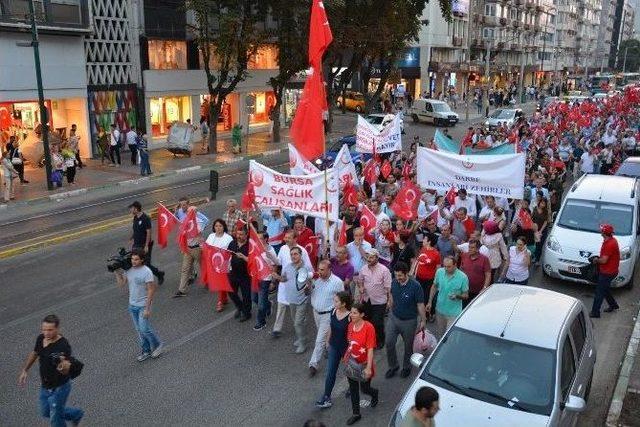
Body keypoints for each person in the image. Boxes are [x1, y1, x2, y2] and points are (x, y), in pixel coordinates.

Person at [17, 314, 84, 427]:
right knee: (45, 411)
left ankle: (66, 416)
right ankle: (75, 414)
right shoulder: (41, 338)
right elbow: (35, 353)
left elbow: (66, 369)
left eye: (50, 330)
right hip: (45, 386)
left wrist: (62, 366)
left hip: (60, 387)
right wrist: (25, 370)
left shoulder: (63, 345)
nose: (46, 333)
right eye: (44, 329)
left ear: (57, 329)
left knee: (55, 420)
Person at [115, 249, 164, 360]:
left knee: (144, 329)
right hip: (132, 305)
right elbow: (121, 284)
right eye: (132, 259)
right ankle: (146, 351)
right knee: (139, 330)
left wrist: (147, 309)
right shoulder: (128, 270)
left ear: (142, 260)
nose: (133, 261)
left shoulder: (147, 272)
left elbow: (151, 290)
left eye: (136, 259)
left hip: (143, 305)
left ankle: (158, 345)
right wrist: (117, 272)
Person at [385, 262, 426, 379]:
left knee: (408, 346)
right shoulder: (394, 282)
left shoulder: (416, 286)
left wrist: (423, 321)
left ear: (406, 273)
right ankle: (393, 366)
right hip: (394, 318)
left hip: (409, 321)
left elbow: (420, 304)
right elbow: (391, 294)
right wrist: (390, 303)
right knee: (389, 343)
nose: (398, 278)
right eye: (396, 275)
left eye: (400, 276)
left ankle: (406, 367)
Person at [271, 230, 313, 338]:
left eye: (289, 238)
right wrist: (270, 256)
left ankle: (299, 327)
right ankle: (277, 329)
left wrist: (307, 283)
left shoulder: (302, 251)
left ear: (295, 239)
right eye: (285, 237)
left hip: (297, 285)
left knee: (296, 308)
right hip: (284, 281)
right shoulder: (283, 248)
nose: (286, 239)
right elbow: (279, 262)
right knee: (281, 305)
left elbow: (309, 269)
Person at [344, 302, 379, 425]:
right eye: (351, 312)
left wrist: (369, 368)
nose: (351, 315)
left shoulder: (369, 328)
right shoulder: (350, 326)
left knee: (364, 388)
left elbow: (370, 349)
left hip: (364, 364)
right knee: (353, 389)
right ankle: (356, 414)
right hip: (352, 363)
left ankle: (374, 394)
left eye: (355, 313)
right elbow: (350, 343)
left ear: (362, 314)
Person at [316, 291, 352, 409]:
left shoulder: (350, 317)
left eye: (336, 301)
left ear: (344, 304)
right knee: (330, 372)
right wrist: (327, 342)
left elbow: (353, 334)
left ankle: (352, 388)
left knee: (349, 371)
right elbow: (331, 327)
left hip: (346, 349)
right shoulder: (333, 311)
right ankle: (326, 397)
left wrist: (350, 350)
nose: (334, 303)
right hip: (334, 347)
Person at [309, 260, 345, 376]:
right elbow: (306, 293)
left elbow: (342, 298)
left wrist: (339, 314)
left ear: (330, 269)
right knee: (323, 336)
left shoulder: (337, 282)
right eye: (319, 269)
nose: (319, 272)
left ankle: (313, 364)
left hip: (327, 315)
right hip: (316, 313)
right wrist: (308, 285)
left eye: (322, 270)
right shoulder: (315, 279)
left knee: (319, 339)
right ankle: (328, 346)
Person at [273, 246, 311, 353]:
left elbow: (310, 283)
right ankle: (301, 337)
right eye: (292, 254)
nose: (293, 256)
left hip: (302, 300)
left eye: (296, 254)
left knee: (297, 323)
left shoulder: (305, 267)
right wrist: (277, 277)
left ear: (300, 255)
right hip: (291, 299)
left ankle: (303, 344)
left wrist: (308, 287)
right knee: (296, 321)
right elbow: (284, 279)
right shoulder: (288, 267)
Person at [357, 248, 392, 349]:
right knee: (367, 321)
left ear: (377, 258)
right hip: (367, 300)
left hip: (380, 302)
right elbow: (360, 281)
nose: (369, 259)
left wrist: (389, 301)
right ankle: (370, 340)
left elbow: (388, 287)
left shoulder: (384, 270)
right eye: (368, 257)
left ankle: (380, 339)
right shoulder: (363, 269)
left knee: (377, 322)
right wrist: (361, 287)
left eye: (371, 257)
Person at [427, 256, 469, 339]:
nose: (446, 269)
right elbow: (434, 286)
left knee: (450, 337)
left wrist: (457, 296)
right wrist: (430, 302)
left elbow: (466, 295)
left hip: (453, 313)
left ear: (455, 265)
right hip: (440, 310)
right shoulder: (439, 272)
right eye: (444, 266)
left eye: (449, 267)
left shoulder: (463, 277)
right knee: (441, 335)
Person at [173, 206, 209, 298]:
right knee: (185, 269)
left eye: (190, 212)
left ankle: (208, 281)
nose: (188, 213)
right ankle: (182, 290)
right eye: (188, 212)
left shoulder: (198, 222)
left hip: (197, 248)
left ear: (195, 212)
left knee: (203, 266)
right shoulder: (185, 221)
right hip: (188, 249)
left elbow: (198, 232)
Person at [128, 201, 165, 284]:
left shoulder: (146, 218)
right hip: (136, 244)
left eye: (131, 208)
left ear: (136, 209)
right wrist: (132, 237)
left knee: (146, 264)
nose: (130, 210)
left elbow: (149, 232)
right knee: (136, 263)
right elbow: (136, 229)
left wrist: (146, 246)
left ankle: (159, 274)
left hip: (144, 244)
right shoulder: (135, 217)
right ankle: (142, 280)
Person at [589, 223, 620, 318]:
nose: (600, 231)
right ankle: (613, 305)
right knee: (605, 289)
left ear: (604, 233)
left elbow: (604, 260)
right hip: (611, 270)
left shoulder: (609, 244)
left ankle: (595, 312)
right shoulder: (611, 241)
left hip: (607, 272)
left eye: (602, 230)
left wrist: (595, 260)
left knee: (599, 292)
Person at [205, 219, 234, 311]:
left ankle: (220, 301)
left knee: (221, 282)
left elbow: (231, 252)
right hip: (213, 263)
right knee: (219, 282)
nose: (218, 228)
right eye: (216, 226)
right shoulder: (211, 236)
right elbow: (206, 248)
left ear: (224, 227)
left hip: (224, 264)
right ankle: (224, 298)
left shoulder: (228, 238)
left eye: (220, 226)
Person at [252, 230, 279, 331]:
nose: (258, 240)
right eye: (257, 238)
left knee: (260, 304)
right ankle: (269, 304)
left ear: (266, 239)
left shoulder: (270, 251)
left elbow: (275, 265)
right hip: (255, 278)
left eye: (260, 238)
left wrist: (273, 281)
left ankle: (261, 322)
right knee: (254, 298)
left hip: (265, 279)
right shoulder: (254, 247)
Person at [227, 227, 252, 322]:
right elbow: (227, 255)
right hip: (233, 273)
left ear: (246, 235)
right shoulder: (232, 243)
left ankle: (247, 313)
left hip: (245, 275)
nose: (238, 236)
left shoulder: (250, 245)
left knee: (246, 295)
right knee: (231, 292)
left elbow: (254, 260)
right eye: (237, 234)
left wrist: (244, 257)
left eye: (241, 234)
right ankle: (240, 307)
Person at [458, 240, 491, 306]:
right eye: (469, 247)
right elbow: (460, 270)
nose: (469, 249)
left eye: (472, 247)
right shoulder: (464, 255)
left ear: (478, 249)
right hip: (465, 290)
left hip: (477, 291)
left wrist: (484, 288)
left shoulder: (484, 259)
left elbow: (488, 275)